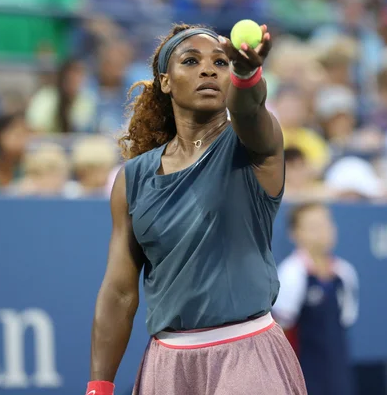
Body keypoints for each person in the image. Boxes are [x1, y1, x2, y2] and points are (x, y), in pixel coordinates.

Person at [88, 23, 307, 395]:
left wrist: (246, 73)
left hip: (249, 357)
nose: (208, 70)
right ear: (165, 82)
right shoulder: (133, 178)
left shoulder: (254, 145)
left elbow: (250, 109)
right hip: (167, 366)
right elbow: (120, 291)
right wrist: (99, 386)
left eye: (221, 63)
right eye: (191, 61)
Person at [272, 202, 359, 395]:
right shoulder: (291, 274)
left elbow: (344, 322)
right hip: (302, 377)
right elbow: (281, 332)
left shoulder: (345, 274)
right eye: (313, 226)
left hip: (337, 375)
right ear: (295, 234)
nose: (323, 231)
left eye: (326, 224)